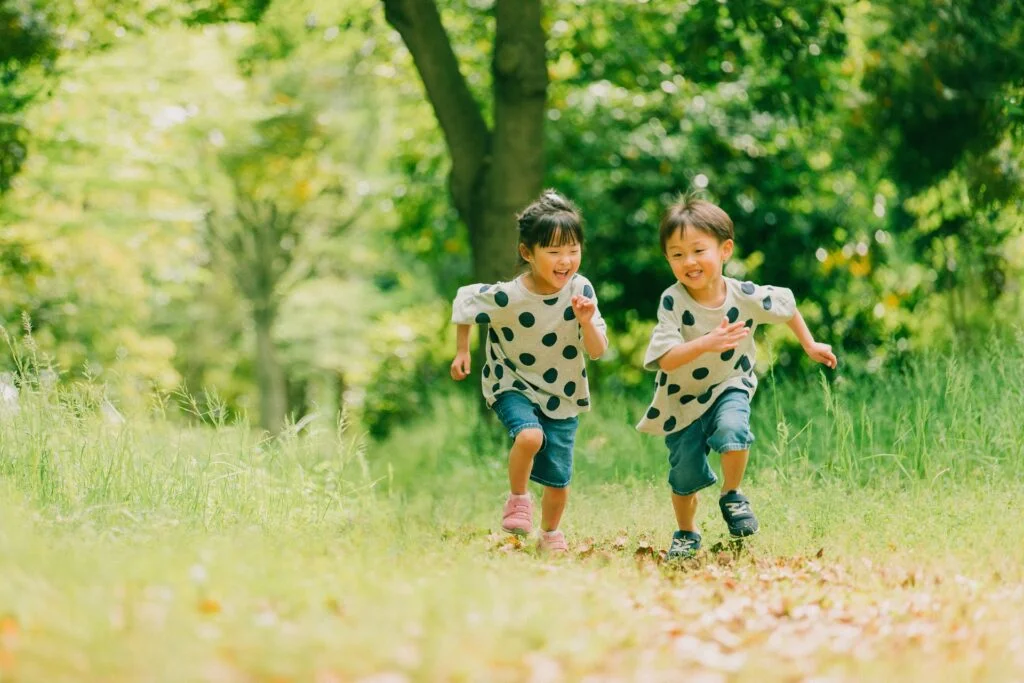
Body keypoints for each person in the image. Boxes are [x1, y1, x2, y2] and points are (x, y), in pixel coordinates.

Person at [636, 195, 837, 559]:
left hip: (731, 382)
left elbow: (786, 304)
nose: (689, 262)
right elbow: (665, 359)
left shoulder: (743, 294)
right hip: (681, 398)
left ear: (725, 249)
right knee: (683, 476)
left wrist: (809, 344)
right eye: (677, 254)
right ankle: (686, 532)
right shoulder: (672, 300)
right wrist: (707, 342)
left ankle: (732, 494)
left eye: (699, 250)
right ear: (667, 259)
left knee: (733, 430)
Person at [450, 190, 608, 553]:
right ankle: (518, 498)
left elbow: (598, 351)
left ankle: (550, 534)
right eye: (553, 252)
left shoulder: (581, 289)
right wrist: (461, 351)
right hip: (511, 381)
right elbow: (465, 300)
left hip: (563, 390)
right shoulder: (510, 295)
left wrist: (586, 322)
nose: (565, 260)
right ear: (528, 253)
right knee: (530, 437)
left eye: (573, 250)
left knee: (559, 479)